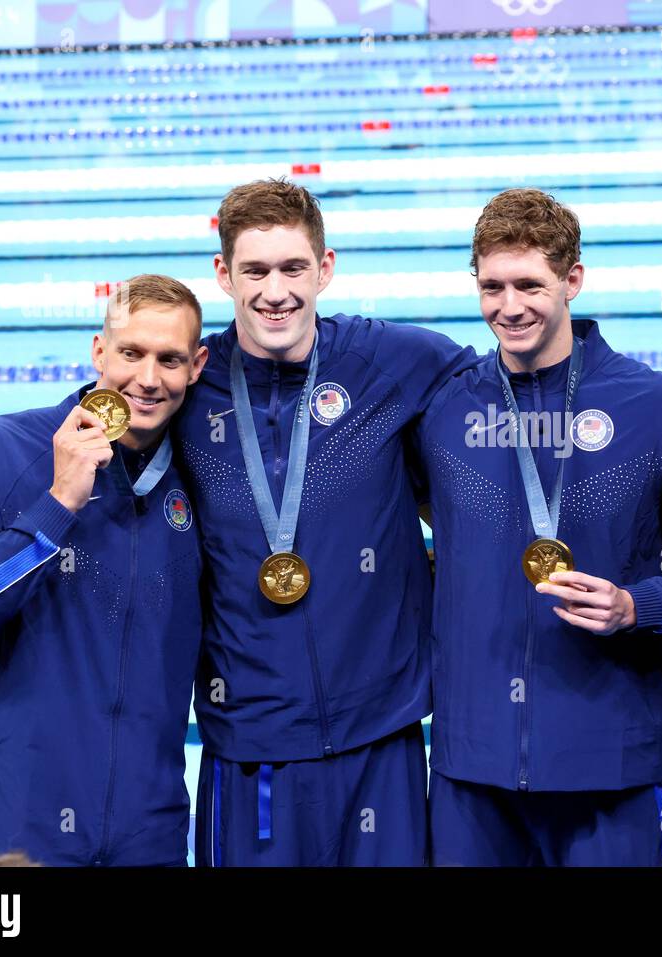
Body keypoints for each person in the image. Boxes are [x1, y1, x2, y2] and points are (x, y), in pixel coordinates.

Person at [176, 178, 474, 866]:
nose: (274, 291)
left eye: (292, 268)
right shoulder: (190, 384)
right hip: (250, 746)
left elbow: (507, 408)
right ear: (224, 275)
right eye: (254, 270)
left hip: (382, 736)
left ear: (325, 268)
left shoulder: (392, 360)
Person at [416, 188, 662, 866]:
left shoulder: (655, 405)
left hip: (614, 764)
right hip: (471, 771)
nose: (509, 306)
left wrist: (639, 604)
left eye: (530, 284)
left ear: (572, 279)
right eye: (492, 286)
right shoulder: (445, 410)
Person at [0, 275, 208, 866]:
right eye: (131, 353)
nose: (148, 379)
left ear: (196, 366)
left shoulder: (201, 481)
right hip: (17, 830)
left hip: (149, 835)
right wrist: (56, 507)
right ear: (99, 351)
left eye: (169, 359)